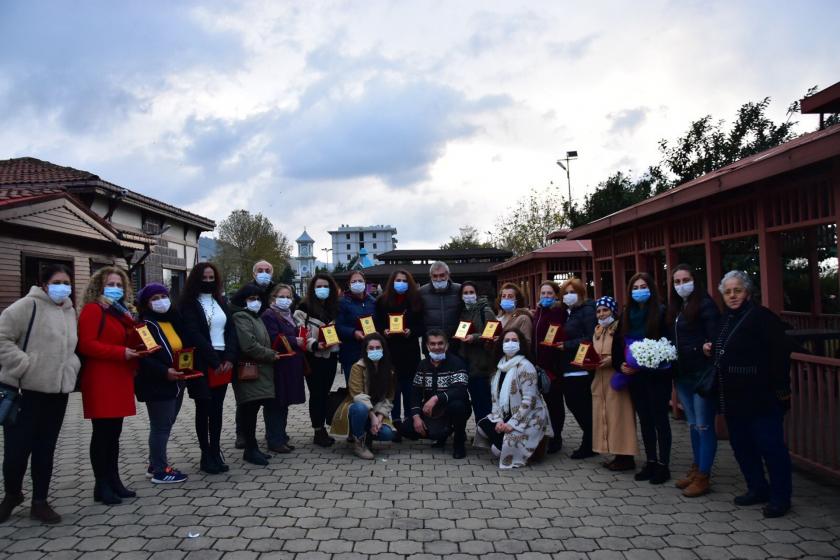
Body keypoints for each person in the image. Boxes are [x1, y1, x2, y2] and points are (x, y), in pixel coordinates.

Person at [706, 271, 793, 518]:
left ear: (748, 292)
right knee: (742, 446)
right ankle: (757, 487)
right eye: (727, 292)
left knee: (771, 447)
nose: (732, 296)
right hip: (734, 398)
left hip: (762, 397)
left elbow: (779, 356)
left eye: (737, 291)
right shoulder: (725, 319)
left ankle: (780, 497)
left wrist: (782, 391)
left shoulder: (763, 318)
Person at [0, 264, 80, 523]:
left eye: (67, 282)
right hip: (25, 391)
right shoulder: (26, 306)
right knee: (16, 452)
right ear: (44, 284)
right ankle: (12, 494)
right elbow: (2, 338)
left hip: (57, 393)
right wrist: (24, 365)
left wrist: (72, 366)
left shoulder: (69, 310)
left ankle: (40, 501)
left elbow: (72, 346)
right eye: (57, 281)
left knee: (45, 450)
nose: (63, 286)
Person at [77, 266, 141, 505]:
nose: (115, 289)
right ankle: (101, 484)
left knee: (114, 433)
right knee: (102, 433)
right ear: (98, 287)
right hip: (101, 377)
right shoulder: (93, 310)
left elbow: (131, 337)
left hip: (120, 376)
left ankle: (114, 480)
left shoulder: (121, 312)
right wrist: (120, 352)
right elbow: (87, 344)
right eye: (110, 285)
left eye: (119, 285)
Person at [612, 272, 671, 484]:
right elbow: (617, 344)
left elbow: (668, 345)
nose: (639, 291)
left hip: (656, 376)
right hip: (634, 377)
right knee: (645, 420)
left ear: (651, 289)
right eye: (635, 288)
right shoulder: (627, 315)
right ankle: (651, 461)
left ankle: (664, 465)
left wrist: (651, 363)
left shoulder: (661, 313)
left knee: (660, 420)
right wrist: (621, 364)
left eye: (643, 286)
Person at [179, 262, 238, 474]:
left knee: (217, 409)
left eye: (211, 277)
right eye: (204, 277)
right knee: (204, 408)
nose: (208, 281)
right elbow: (193, 334)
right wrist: (214, 361)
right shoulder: (188, 304)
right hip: (202, 361)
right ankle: (205, 454)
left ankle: (215, 449)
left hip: (223, 359)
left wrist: (229, 357)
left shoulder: (220, 301)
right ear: (196, 279)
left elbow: (231, 330)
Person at [668, 264, 720, 497]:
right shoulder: (678, 307)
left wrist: (706, 346)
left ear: (694, 280)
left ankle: (704, 475)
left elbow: (715, 337)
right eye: (677, 282)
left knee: (703, 425)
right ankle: (696, 466)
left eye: (685, 280)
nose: (681, 285)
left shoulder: (706, 305)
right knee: (692, 424)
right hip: (682, 374)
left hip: (701, 374)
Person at [134, 283, 189, 484]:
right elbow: (145, 356)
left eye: (163, 296)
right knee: (160, 426)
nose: (160, 301)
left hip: (177, 380)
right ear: (146, 303)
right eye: (154, 298)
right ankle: (159, 470)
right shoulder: (144, 325)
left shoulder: (172, 320)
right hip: (157, 382)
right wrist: (164, 371)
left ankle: (154, 463)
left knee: (167, 423)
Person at [475, 328, 553, 468]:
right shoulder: (499, 367)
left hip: (528, 416)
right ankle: (505, 442)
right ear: (501, 344)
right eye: (507, 340)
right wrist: (499, 420)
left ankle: (528, 450)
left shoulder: (526, 366)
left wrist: (511, 423)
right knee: (483, 424)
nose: (510, 343)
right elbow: (495, 398)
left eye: (514, 340)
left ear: (521, 344)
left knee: (500, 449)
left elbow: (529, 401)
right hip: (507, 412)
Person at [230, 285, 280, 466]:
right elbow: (248, 345)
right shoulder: (241, 316)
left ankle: (253, 447)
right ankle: (250, 449)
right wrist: (270, 354)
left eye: (259, 298)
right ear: (243, 300)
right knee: (249, 409)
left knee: (253, 408)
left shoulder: (255, 317)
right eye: (251, 299)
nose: (256, 302)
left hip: (260, 370)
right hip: (249, 370)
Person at [401, 329, 471, 459]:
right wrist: (416, 417)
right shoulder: (423, 364)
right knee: (406, 428)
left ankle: (459, 441)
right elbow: (415, 393)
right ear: (427, 346)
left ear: (447, 345)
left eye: (440, 343)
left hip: (453, 409)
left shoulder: (457, 362)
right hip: (432, 412)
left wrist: (436, 398)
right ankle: (440, 434)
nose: (437, 347)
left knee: (458, 406)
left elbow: (460, 390)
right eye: (432, 344)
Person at [374, 269, 424, 439]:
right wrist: (383, 332)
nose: (401, 283)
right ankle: (394, 423)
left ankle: (410, 424)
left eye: (404, 280)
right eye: (398, 280)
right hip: (390, 351)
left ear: (409, 282)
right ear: (391, 282)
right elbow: (377, 323)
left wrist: (412, 331)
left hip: (410, 351)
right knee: (393, 389)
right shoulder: (382, 301)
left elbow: (422, 325)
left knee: (410, 388)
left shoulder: (416, 301)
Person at [330, 333, 396, 459]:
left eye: (378, 348)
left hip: (377, 411)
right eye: (371, 348)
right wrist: (373, 418)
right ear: (365, 350)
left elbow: (389, 397)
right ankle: (358, 442)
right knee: (360, 408)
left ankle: (367, 435)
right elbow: (357, 395)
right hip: (356, 409)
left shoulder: (389, 371)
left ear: (383, 349)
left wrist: (380, 418)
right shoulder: (357, 367)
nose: (375, 350)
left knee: (388, 434)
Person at [590, 296, 638, 471]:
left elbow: (626, 351)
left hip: (616, 379)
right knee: (606, 418)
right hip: (599, 380)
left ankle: (626, 456)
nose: (602, 314)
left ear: (613, 311)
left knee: (621, 418)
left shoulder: (620, 329)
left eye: (606, 310)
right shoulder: (597, 330)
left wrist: (611, 360)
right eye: (599, 311)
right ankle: (616, 454)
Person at [294, 273, 341, 447]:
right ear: (313, 289)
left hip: (330, 357)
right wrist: (314, 345)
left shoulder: (334, 307)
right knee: (317, 394)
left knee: (324, 393)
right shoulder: (304, 308)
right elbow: (301, 332)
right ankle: (318, 430)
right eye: (319, 286)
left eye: (326, 286)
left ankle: (323, 426)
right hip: (313, 357)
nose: (323, 289)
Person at [233, 260, 275, 449]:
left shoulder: (275, 290)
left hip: (271, 348)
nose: (264, 273)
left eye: (268, 270)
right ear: (253, 273)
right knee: (247, 399)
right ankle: (242, 434)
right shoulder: (246, 290)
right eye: (260, 270)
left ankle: (272, 432)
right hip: (250, 353)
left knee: (269, 397)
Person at [261, 283, 306, 453]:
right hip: (278, 365)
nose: (285, 300)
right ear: (273, 298)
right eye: (282, 296)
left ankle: (281, 435)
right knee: (276, 403)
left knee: (284, 402)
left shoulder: (289, 316)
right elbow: (274, 338)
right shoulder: (269, 315)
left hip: (290, 365)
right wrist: (295, 341)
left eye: (288, 297)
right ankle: (274, 439)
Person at [557, 278, 597, 459]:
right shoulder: (569, 312)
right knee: (574, 404)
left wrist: (567, 345)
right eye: (565, 293)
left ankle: (589, 442)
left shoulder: (587, 310)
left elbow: (590, 337)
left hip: (581, 366)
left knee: (579, 405)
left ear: (581, 293)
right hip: (568, 365)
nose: (568, 296)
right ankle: (590, 439)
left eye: (572, 292)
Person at [532, 281, 567, 454]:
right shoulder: (538, 312)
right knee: (541, 403)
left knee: (555, 404)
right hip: (538, 365)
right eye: (543, 293)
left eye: (549, 294)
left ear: (556, 295)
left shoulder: (558, 312)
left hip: (553, 367)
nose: (546, 297)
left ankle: (557, 436)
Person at [455, 281, 497, 422]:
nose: (468, 296)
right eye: (465, 293)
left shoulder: (485, 311)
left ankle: (487, 432)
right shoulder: (463, 312)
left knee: (484, 400)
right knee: (475, 400)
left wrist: (475, 337)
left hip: (481, 362)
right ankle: (481, 429)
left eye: (471, 292)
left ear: (477, 294)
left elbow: (492, 333)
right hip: (467, 361)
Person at [336, 270, 377, 383]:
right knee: (354, 388)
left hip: (371, 351)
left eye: (360, 280)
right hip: (350, 352)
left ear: (365, 283)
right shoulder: (342, 303)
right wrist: (353, 332)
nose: (357, 283)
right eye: (354, 281)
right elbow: (338, 326)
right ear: (349, 284)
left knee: (372, 387)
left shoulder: (373, 302)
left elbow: (378, 323)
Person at [418, 261, 462, 339]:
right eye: (435, 276)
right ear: (430, 276)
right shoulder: (421, 292)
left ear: (448, 275)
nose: (438, 279)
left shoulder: (459, 290)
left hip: (455, 340)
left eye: (442, 275)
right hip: (431, 342)